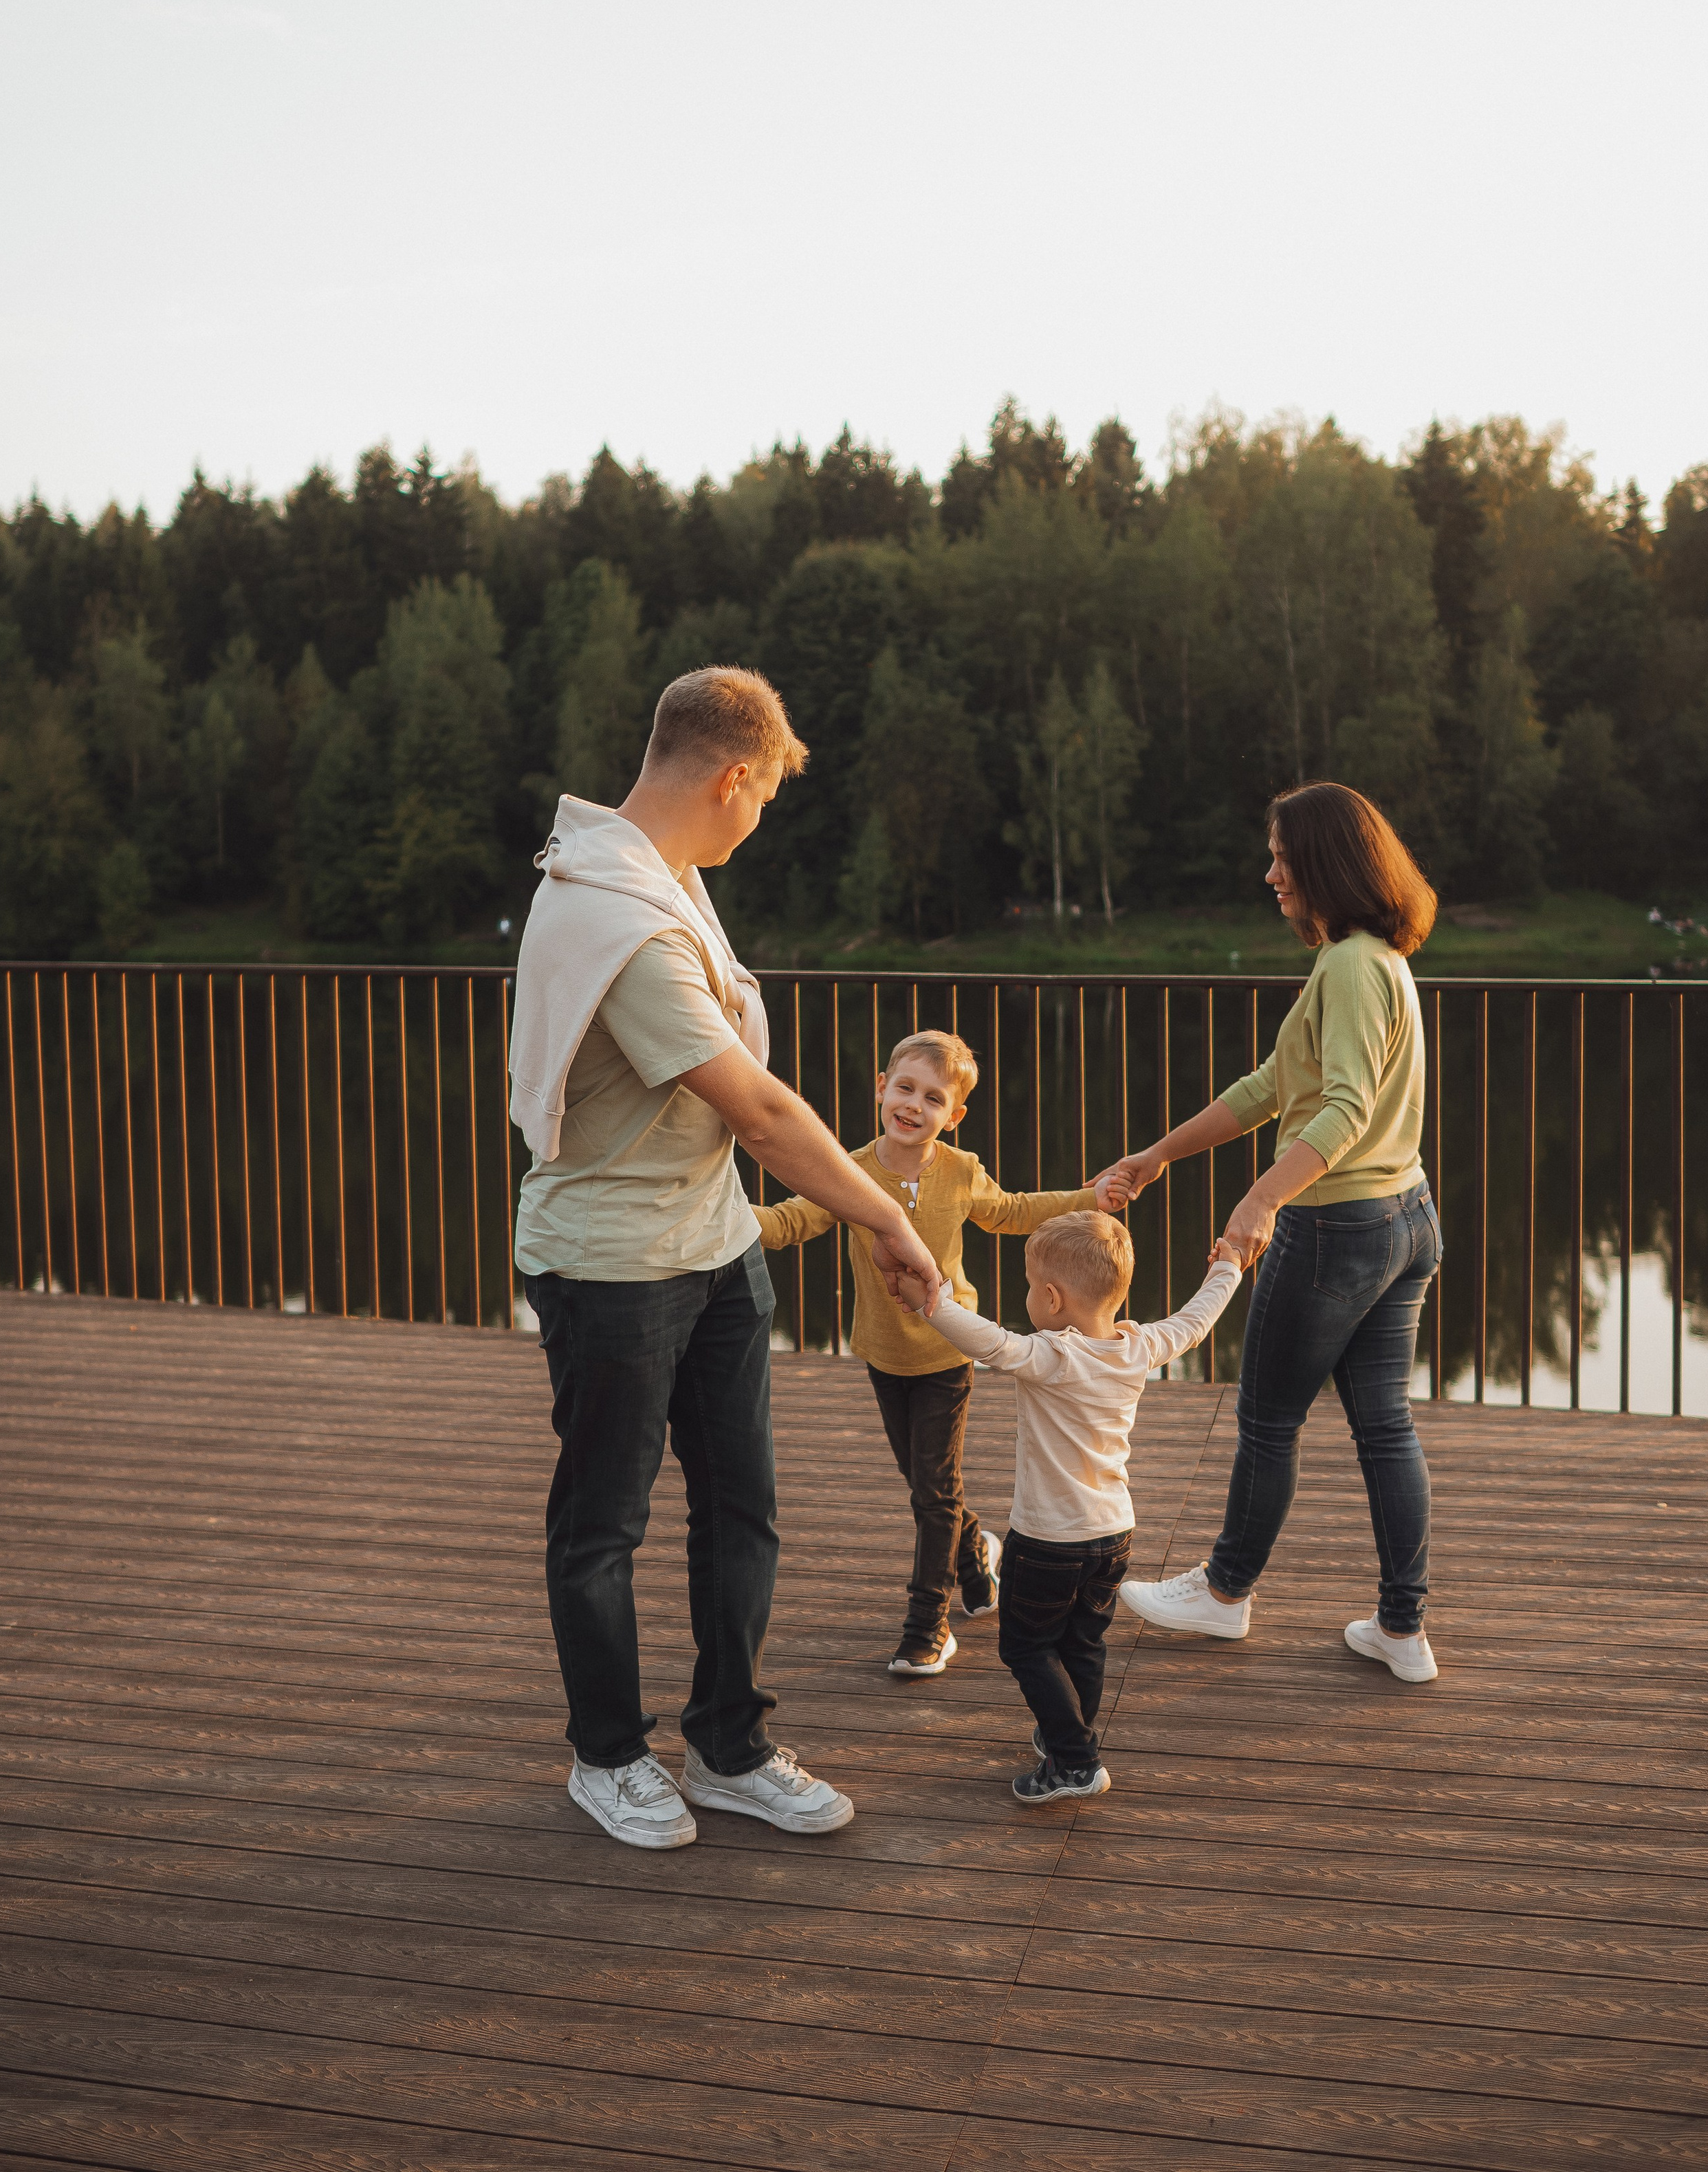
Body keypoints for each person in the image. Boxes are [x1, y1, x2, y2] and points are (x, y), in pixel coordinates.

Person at [508, 666, 941, 1852]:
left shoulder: (664, 875)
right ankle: (607, 1758)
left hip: (713, 1245)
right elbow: (760, 1111)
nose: (760, 822)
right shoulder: (617, 912)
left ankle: (728, 1745)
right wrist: (890, 1218)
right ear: (734, 777)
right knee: (604, 1526)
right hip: (611, 1268)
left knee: (743, 1510)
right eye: (763, 799)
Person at [1104, 782, 1444, 1683]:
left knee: (1266, 1419)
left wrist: (1259, 1203)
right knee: (1385, 1425)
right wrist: (1158, 1153)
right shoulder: (1369, 959)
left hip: (1339, 1227)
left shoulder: (1351, 966)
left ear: (1328, 861)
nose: (1270, 874)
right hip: (1406, 1217)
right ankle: (1402, 1629)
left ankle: (1224, 1593)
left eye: (1282, 858)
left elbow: (1343, 1108)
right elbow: (1269, 1085)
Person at [755, 1028, 1128, 1679]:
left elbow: (1012, 1211)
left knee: (931, 1492)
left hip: (948, 1356)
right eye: (905, 1089)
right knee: (931, 1485)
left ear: (952, 1115)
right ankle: (975, 1561)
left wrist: (1087, 1198)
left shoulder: (960, 1171)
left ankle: (929, 1622)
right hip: (882, 1352)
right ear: (881, 1088)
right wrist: (720, 1215)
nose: (913, 1106)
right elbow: (791, 1221)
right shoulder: (849, 1170)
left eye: (933, 1098)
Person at [890, 1211, 1243, 1800]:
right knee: (1083, 1641)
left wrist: (932, 1300)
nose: (1029, 1297)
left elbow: (989, 1342)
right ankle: (1066, 1731)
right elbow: (1195, 1322)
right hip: (1114, 1533)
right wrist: (1228, 1267)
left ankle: (1075, 1761)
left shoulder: (1053, 1356)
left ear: (1052, 1299)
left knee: (1026, 1645)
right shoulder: (1138, 1345)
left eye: (1030, 1287)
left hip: (1049, 1539)